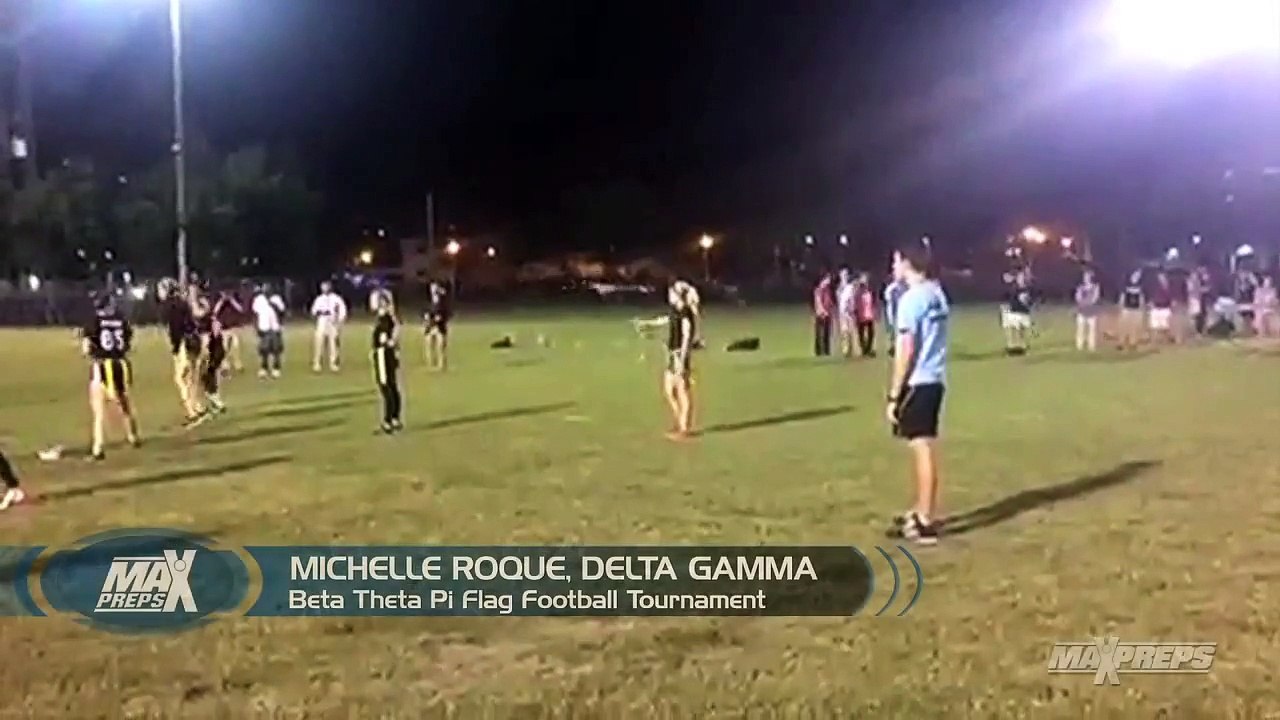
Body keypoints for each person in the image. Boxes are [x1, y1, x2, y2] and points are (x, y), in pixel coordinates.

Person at [885, 241, 949, 546]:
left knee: (920, 446)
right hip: (935, 378)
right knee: (922, 445)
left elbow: (906, 350)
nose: (893, 267)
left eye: (896, 261)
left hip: (919, 381)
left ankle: (924, 519)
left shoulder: (911, 299)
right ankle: (920, 511)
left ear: (907, 263)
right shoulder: (936, 293)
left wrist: (894, 395)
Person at [635, 281, 698, 440]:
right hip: (671, 355)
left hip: (679, 356)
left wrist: (682, 361)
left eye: (671, 294)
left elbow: (686, 338)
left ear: (677, 296)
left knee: (682, 392)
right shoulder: (674, 311)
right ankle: (680, 422)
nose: (669, 296)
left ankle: (684, 428)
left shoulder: (686, 315)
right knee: (669, 390)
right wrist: (646, 324)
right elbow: (664, 320)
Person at [82, 293, 141, 460]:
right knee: (123, 402)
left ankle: (98, 448)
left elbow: (86, 348)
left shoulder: (93, 321)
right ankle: (133, 436)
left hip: (102, 364)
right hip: (121, 364)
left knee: (99, 408)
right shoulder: (121, 319)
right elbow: (129, 340)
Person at [158, 278, 204, 424]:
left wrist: (176, 348)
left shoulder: (170, 306)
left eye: (161, 289)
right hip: (194, 340)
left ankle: (191, 410)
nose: (159, 293)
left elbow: (176, 329)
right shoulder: (182, 302)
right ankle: (197, 405)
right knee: (191, 377)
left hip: (184, 343)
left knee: (180, 378)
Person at [371, 290, 403, 434]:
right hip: (387, 354)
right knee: (392, 386)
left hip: (383, 354)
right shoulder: (390, 318)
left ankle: (388, 420)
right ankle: (395, 417)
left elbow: (387, 338)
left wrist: (390, 343)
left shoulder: (385, 319)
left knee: (386, 387)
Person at [191, 286, 226, 415]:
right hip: (217, 347)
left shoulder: (202, 315)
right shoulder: (205, 307)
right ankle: (215, 402)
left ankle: (216, 402)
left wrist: (203, 353)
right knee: (209, 376)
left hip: (213, 348)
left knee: (204, 376)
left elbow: (206, 336)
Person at [311, 281, 348, 373]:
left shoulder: (336, 299)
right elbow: (314, 311)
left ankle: (333, 363)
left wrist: (339, 321)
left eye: (325, 287)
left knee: (333, 344)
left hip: (332, 322)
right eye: (322, 287)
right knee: (319, 342)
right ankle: (317, 362)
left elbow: (342, 310)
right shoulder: (319, 299)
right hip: (322, 321)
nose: (324, 289)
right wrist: (318, 315)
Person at [252, 284, 287, 378]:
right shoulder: (258, 300)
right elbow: (255, 314)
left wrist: (281, 325)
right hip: (263, 327)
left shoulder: (276, 299)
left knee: (276, 349)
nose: (266, 290)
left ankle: (276, 368)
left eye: (268, 289)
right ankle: (264, 368)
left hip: (275, 327)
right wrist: (256, 327)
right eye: (265, 289)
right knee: (264, 349)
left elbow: (282, 312)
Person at [212, 290, 246, 374]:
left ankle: (238, 364)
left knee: (236, 347)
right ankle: (225, 365)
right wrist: (222, 300)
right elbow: (215, 311)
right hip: (224, 328)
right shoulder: (219, 302)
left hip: (234, 327)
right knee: (225, 348)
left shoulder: (235, 300)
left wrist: (231, 300)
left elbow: (240, 309)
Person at [1001, 269, 1033, 355]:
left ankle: (1023, 346)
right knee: (1011, 328)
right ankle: (1011, 347)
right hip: (1014, 310)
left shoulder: (1027, 288)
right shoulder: (1013, 287)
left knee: (1022, 330)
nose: (1021, 279)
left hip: (1023, 311)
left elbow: (1030, 300)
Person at [423, 282, 452, 371]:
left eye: (434, 289)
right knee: (428, 344)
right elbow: (427, 312)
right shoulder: (430, 302)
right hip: (431, 326)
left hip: (440, 326)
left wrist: (439, 318)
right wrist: (427, 317)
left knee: (440, 346)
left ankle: (442, 364)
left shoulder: (443, 301)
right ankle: (431, 363)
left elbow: (446, 314)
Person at [1074, 270, 1101, 352]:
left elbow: (1095, 298)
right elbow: (1077, 297)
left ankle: (1091, 346)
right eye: (1085, 277)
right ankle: (1079, 345)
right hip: (1082, 310)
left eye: (1087, 277)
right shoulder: (1080, 287)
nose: (1086, 278)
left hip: (1091, 311)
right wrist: (1082, 302)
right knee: (1080, 329)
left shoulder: (1095, 287)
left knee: (1092, 329)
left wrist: (1086, 302)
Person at [883, 268, 907, 358]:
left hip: (902, 312)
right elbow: (888, 299)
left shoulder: (904, 286)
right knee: (892, 330)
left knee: (900, 330)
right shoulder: (891, 288)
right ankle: (892, 347)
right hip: (893, 311)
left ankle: (898, 348)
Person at [1118, 270, 1145, 351]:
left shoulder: (1140, 287)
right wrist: (1121, 306)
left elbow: (1141, 298)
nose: (1136, 277)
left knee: (1135, 327)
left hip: (1136, 309)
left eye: (1138, 276)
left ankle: (1133, 343)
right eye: (1135, 275)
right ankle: (1121, 342)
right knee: (1124, 326)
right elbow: (1122, 297)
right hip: (1126, 308)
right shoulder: (1126, 286)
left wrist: (1141, 307)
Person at [854, 272, 878, 358]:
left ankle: (868, 348)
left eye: (866, 279)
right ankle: (864, 349)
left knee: (871, 333)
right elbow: (856, 302)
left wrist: (875, 311)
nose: (865, 280)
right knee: (861, 333)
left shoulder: (871, 290)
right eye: (863, 278)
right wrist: (856, 312)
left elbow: (874, 302)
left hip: (869, 314)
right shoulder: (858, 291)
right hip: (861, 315)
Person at [836, 269, 857, 358]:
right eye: (843, 274)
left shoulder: (850, 287)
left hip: (850, 312)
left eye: (846, 274)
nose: (844, 276)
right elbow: (838, 299)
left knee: (851, 331)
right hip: (842, 312)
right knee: (844, 331)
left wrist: (851, 308)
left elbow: (852, 298)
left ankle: (852, 349)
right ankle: (846, 349)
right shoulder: (839, 288)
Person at [1148, 272, 1175, 344]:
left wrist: (1171, 306)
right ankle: (1153, 341)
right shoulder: (1154, 287)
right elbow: (1150, 296)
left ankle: (1165, 341)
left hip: (1165, 308)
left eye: (1163, 278)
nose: (1161, 279)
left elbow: (1171, 298)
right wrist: (1150, 303)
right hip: (1156, 308)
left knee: (1165, 326)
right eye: (1160, 277)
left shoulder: (1169, 287)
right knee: (1154, 326)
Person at [812, 274, 834, 356]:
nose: (829, 281)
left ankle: (827, 350)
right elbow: (818, 303)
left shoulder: (828, 290)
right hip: (820, 315)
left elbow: (829, 301)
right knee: (819, 333)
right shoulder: (818, 290)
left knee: (827, 334)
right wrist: (823, 312)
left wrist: (830, 307)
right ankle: (818, 351)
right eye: (827, 279)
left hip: (827, 314)